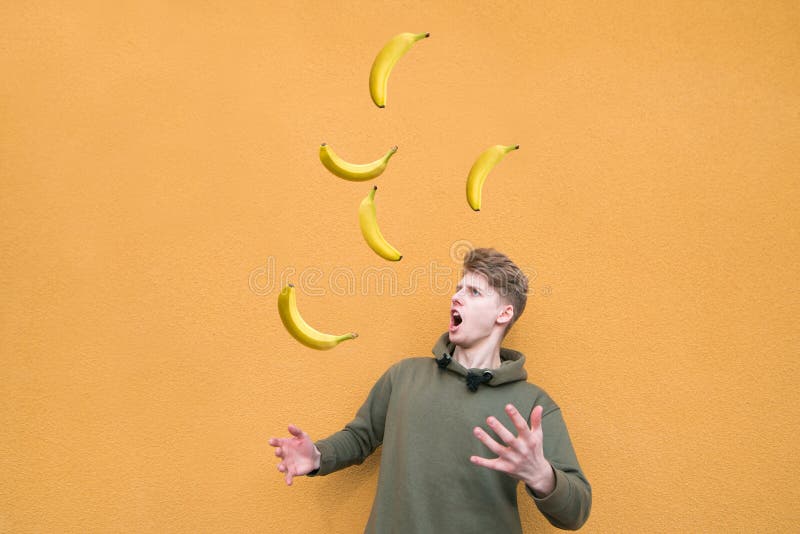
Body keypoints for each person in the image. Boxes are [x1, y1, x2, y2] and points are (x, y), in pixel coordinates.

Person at [269, 248, 591, 532]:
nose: (456, 296)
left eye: (474, 292)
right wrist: (318, 456)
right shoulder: (404, 376)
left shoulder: (532, 405)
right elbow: (359, 437)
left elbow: (575, 513)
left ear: (503, 314)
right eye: (458, 288)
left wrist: (541, 475)